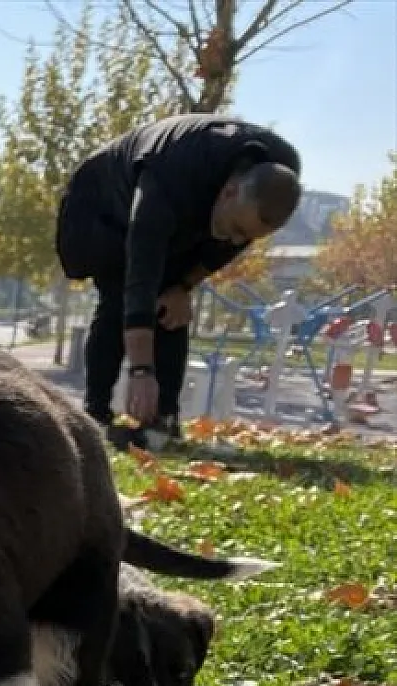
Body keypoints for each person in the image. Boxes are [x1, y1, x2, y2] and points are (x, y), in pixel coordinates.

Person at [56, 114, 302, 449]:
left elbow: (225, 248)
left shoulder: (280, 176)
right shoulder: (171, 178)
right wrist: (141, 370)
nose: (233, 242)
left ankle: (163, 422)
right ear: (229, 192)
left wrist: (184, 286)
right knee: (119, 294)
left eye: (245, 237)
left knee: (171, 303)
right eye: (236, 229)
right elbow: (140, 278)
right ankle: (95, 416)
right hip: (102, 202)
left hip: (189, 201)